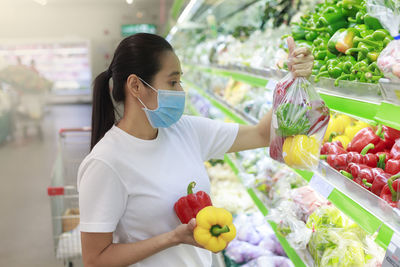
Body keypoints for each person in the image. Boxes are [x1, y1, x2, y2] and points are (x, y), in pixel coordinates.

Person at [78, 33, 313, 267]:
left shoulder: (184, 130)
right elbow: (95, 259)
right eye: (172, 82)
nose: (180, 91)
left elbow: (262, 134)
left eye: (180, 81)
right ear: (136, 86)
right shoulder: (106, 162)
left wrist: (291, 80)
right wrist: (173, 238)